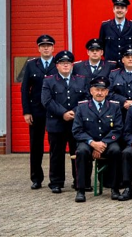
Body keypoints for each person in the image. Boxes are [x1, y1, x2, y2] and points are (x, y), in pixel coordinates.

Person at [41, 50, 89, 193]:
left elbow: (86, 98)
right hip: (56, 123)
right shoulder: (49, 81)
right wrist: (63, 113)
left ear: (72, 65)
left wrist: (73, 112)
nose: (66, 66)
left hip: (76, 123)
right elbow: (47, 101)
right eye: (62, 63)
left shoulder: (81, 80)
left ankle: (80, 182)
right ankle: (56, 182)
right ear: (57, 65)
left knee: (79, 153)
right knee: (56, 154)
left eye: (68, 63)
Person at [71, 76, 123, 202]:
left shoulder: (114, 107)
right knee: (81, 152)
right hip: (88, 142)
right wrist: (93, 143)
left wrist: (103, 143)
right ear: (91, 91)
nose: (99, 93)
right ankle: (81, 190)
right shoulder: (82, 108)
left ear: (107, 92)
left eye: (103, 90)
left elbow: (118, 129)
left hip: (107, 142)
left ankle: (114, 188)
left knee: (116, 151)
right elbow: (77, 130)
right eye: (97, 89)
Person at [21, 34, 57, 189]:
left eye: (48, 45)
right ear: (39, 48)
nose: (46, 48)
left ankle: (55, 179)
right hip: (36, 111)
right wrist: (26, 111)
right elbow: (24, 90)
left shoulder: (59, 63)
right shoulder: (31, 65)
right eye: (43, 46)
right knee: (36, 146)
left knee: (55, 145)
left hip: (55, 111)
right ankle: (36, 178)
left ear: (53, 48)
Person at [98, 0, 132, 64]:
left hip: (127, 65)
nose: (119, 10)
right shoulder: (105, 26)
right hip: (110, 65)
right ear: (113, 9)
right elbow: (101, 46)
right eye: (117, 8)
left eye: (122, 8)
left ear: (126, 10)